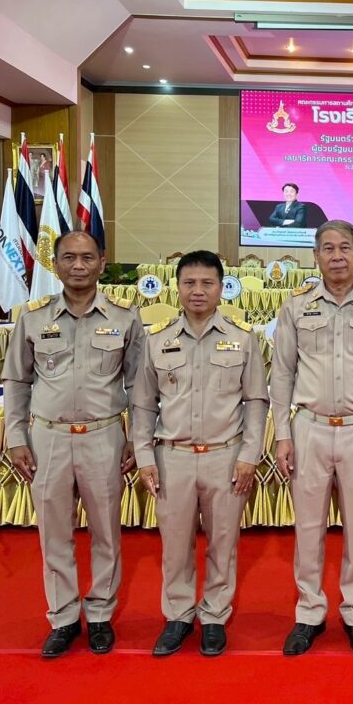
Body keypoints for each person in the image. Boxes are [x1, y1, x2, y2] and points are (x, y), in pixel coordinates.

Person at [3, 231, 143, 658]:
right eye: (69, 258)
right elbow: (16, 380)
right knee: (54, 533)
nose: (78, 266)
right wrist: (15, 436)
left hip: (104, 436)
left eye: (87, 257)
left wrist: (137, 438)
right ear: (56, 263)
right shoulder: (32, 318)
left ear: (102, 261)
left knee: (106, 532)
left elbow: (139, 385)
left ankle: (99, 615)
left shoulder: (125, 318)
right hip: (48, 438)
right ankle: (62, 618)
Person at [271, 220, 353, 657]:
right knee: (308, 528)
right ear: (315, 257)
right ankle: (309, 612)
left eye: (345, 247)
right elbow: (282, 373)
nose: (337, 256)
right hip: (308, 427)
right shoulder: (296, 306)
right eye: (327, 248)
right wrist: (282, 433)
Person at [131, 250, 269, 658]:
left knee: (223, 543)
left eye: (207, 283)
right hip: (172, 457)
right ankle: (177, 615)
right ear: (177, 287)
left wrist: (250, 455)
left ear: (221, 288)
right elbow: (143, 405)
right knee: (175, 545)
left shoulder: (242, 338)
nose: (198, 290)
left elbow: (256, 401)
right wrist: (144, 457)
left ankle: (214, 617)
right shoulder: (158, 339)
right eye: (189, 283)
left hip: (225, 457)